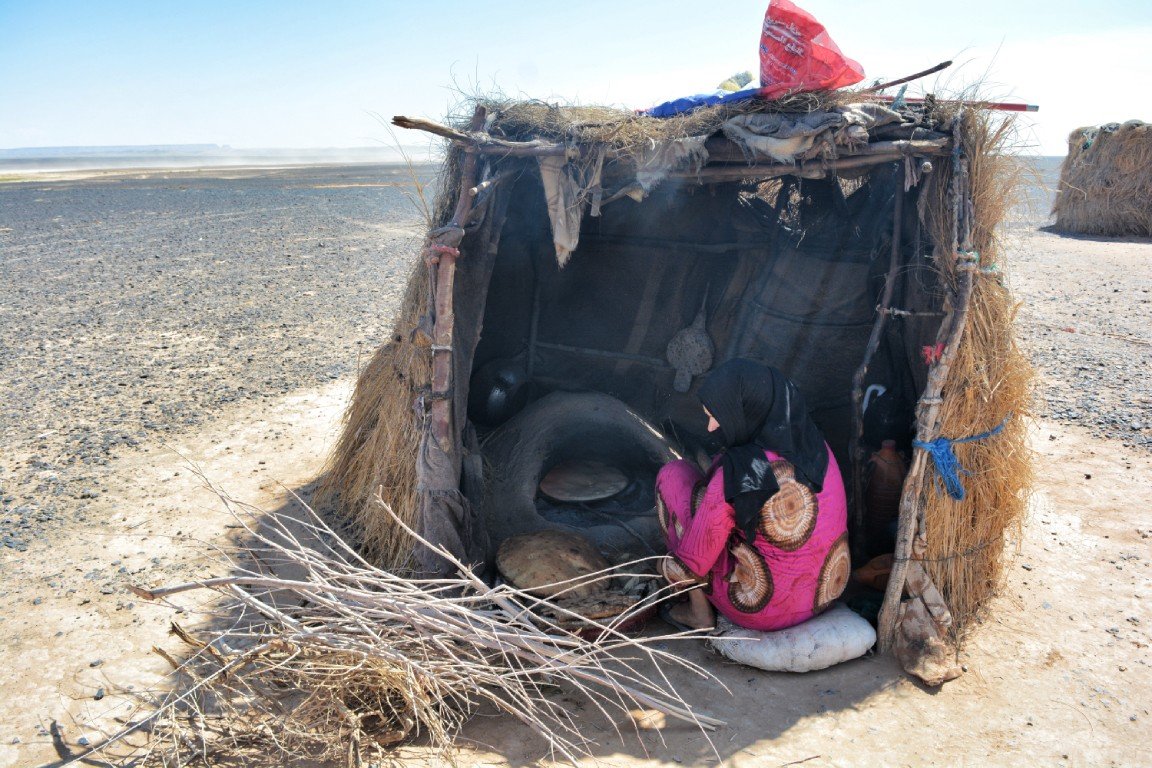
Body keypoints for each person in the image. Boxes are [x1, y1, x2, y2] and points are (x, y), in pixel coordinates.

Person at [657, 359, 849, 632]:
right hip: (826, 591)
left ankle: (698, 612)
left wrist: (663, 566)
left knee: (673, 476)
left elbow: (693, 565)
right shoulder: (814, 444)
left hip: (763, 609)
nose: (711, 427)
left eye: (716, 417)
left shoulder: (742, 471)